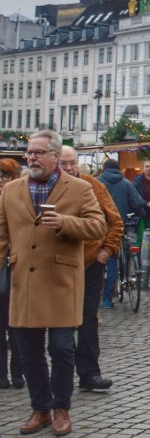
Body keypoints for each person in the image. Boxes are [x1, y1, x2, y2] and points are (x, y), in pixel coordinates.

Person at [0, 130, 106, 436]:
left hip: (61, 282)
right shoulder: (12, 191)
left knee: (61, 349)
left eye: (38, 152)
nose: (31, 157)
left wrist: (65, 223)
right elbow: (3, 236)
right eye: (29, 153)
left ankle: (62, 409)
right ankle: (40, 409)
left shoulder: (79, 188)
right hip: (24, 284)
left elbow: (98, 225)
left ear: (55, 156)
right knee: (28, 352)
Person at [58, 146, 124, 393]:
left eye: (72, 163)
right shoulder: (48, 188)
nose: (68, 168)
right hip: (57, 265)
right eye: (63, 164)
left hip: (90, 262)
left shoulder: (93, 185)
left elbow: (115, 221)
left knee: (87, 320)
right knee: (59, 322)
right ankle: (60, 373)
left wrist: (106, 252)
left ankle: (89, 373)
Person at [98, 159, 144, 308]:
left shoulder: (97, 183)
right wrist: (140, 212)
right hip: (120, 226)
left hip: (101, 228)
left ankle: (104, 299)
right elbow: (137, 204)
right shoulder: (126, 184)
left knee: (106, 262)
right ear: (118, 170)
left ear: (104, 169)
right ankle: (109, 297)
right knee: (115, 262)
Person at [0, 157, 24, 391]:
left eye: (5, 176)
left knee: (17, 326)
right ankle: (1, 375)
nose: (1, 181)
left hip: (18, 269)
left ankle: (18, 373)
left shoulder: (19, 199)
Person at [132, 159, 150, 246]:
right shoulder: (137, 181)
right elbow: (135, 195)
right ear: (143, 168)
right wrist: (145, 203)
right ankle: (141, 255)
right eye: (146, 166)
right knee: (141, 236)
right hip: (141, 211)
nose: (148, 168)